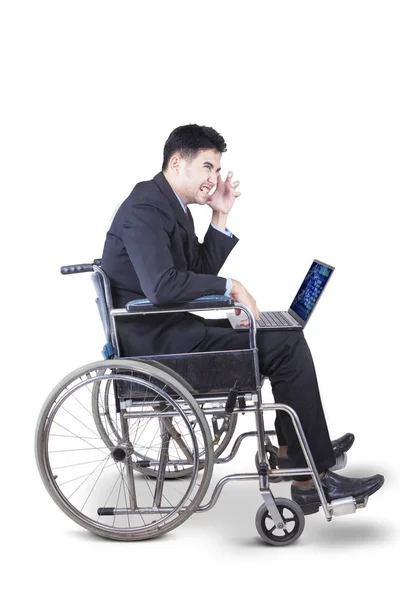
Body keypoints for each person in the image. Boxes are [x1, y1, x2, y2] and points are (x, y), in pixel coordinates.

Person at [101, 124, 384, 514]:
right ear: (176, 162)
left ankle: (298, 449)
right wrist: (233, 286)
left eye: (216, 170)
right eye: (206, 167)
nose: (213, 179)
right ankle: (306, 474)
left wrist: (219, 215)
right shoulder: (145, 208)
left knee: (274, 334)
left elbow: (193, 269)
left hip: (172, 331)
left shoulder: (168, 206)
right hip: (162, 348)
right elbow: (165, 287)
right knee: (285, 344)